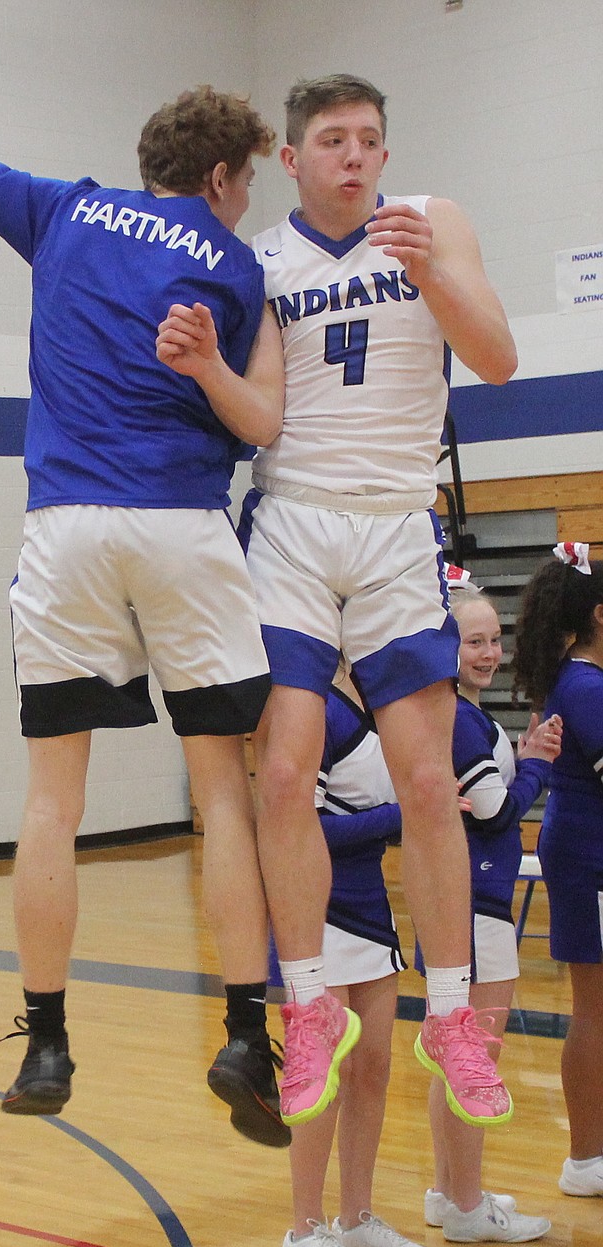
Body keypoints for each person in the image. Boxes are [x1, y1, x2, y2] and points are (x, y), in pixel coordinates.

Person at [0, 48, 292, 1146]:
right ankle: (246, 1032)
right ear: (218, 177)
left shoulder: (64, 212)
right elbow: (258, 423)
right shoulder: (239, 270)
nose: (247, 201)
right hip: (184, 530)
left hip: (65, 533)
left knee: (53, 799)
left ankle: (47, 1038)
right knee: (222, 791)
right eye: (247, 179)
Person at [239, 71, 520, 1129]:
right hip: (295, 520)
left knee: (423, 779)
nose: (352, 156)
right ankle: (305, 1001)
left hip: (399, 520)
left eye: (366, 140)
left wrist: (429, 275)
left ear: (384, 153)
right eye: (330, 140)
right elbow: (252, 414)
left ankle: (449, 1013)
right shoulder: (262, 261)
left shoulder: (431, 222)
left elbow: (494, 358)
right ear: (291, 156)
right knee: (282, 770)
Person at [418, 571, 556, 1242]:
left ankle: (451, 1191)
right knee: (473, 1060)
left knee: (455, 1056)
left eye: (495, 639)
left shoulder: (456, 713)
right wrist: (536, 763)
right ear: (445, 647)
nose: (488, 652)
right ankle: (468, 1206)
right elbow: (497, 811)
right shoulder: (463, 721)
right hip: (477, 907)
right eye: (474, 640)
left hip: (461, 903)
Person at [277, 674, 425, 1247]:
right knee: (321, 1076)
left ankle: (357, 1218)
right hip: (317, 911)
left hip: (371, 906)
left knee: (373, 1067)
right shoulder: (313, 704)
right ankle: (306, 1228)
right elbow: (294, 826)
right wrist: (400, 815)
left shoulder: (390, 698)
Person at [512, 542, 603, 1200]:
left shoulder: (584, 680)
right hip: (588, 854)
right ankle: (585, 1157)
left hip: (583, 843)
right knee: (593, 1009)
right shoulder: (585, 686)